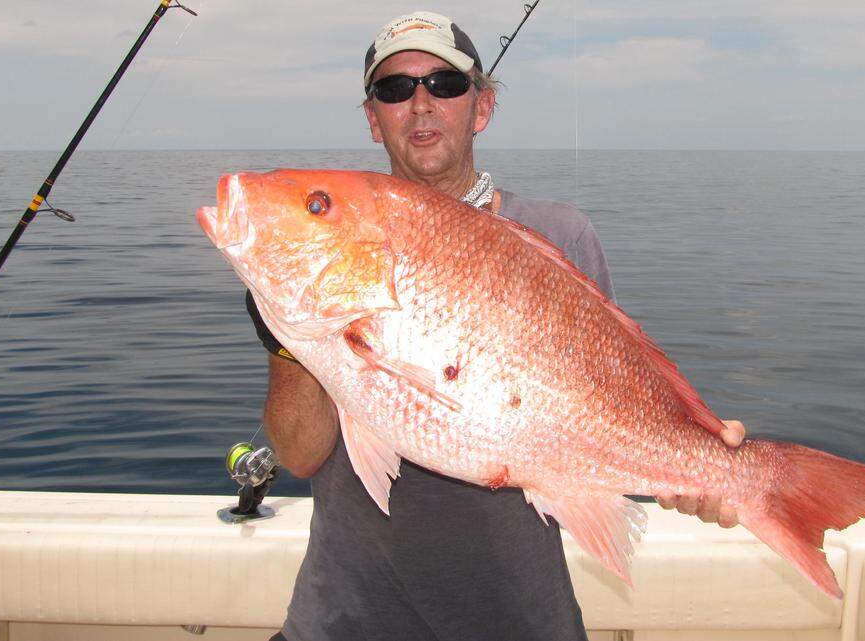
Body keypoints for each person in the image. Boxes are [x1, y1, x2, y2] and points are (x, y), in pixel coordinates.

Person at [248, 12, 746, 641]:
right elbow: (299, 454)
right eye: (395, 90)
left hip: (520, 619)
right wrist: (286, 337)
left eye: (445, 85)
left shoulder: (561, 236)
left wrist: (700, 455)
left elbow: (623, 390)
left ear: (480, 108)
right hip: (346, 616)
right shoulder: (334, 256)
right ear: (374, 120)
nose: (421, 104)